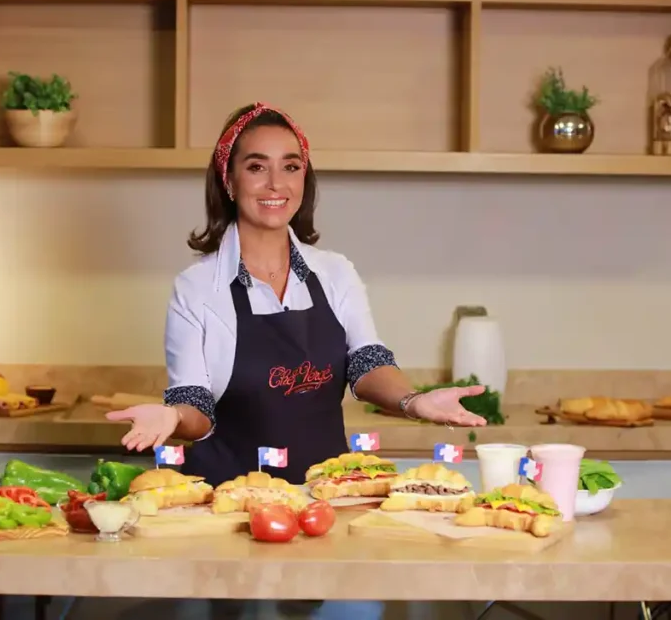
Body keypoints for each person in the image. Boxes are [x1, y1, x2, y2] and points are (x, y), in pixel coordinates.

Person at [104, 102, 488, 620]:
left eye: (291, 166)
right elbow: (196, 406)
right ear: (229, 179)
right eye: (256, 166)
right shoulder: (196, 288)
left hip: (326, 501)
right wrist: (172, 417)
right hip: (228, 509)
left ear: (305, 179)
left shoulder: (336, 273)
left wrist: (414, 401)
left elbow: (367, 362)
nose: (275, 183)